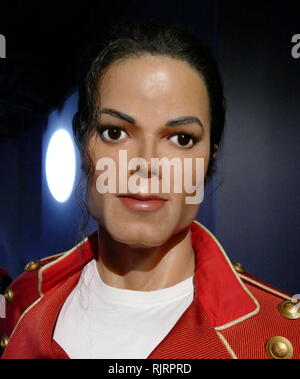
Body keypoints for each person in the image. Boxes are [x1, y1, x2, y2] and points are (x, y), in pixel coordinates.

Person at [0, 21, 299, 360]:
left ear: (209, 156)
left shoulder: (279, 337)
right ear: (83, 143)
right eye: (115, 132)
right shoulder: (23, 301)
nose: (147, 163)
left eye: (181, 139)